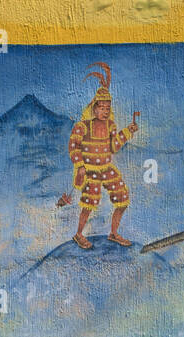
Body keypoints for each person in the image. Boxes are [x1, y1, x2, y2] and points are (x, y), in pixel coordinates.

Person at [68, 61, 139, 249]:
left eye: (108, 108)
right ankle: (79, 234)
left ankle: (114, 233)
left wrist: (128, 131)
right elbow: (73, 146)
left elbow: (114, 146)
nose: (105, 111)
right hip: (90, 171)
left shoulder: (110, 126)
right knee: (88, 203)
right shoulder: (83, 126)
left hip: (107, 168)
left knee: (122, 198)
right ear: (94, 107)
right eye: (102, 108)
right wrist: (81, 166)